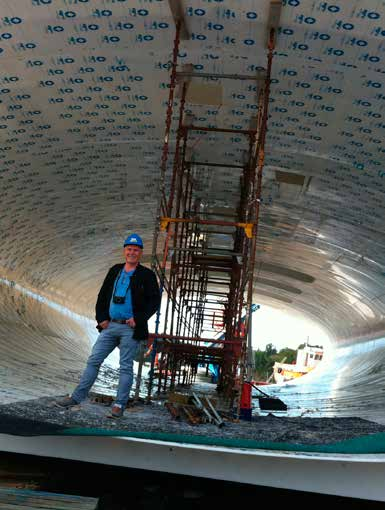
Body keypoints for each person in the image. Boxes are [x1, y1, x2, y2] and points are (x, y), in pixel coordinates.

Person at [55, 233, 160, 418]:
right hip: (110, 326)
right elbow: (102, 295)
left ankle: (119, 405)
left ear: (140, 253)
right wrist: (101, 318)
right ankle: (77, 397)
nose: (132, 252)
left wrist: (139, 318)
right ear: (124, 251)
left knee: (125, 366)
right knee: (94, 360)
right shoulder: (115, 270)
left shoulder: (147, 275)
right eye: (129, 249)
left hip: (130, 328)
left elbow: (154, 301)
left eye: (136, 250)